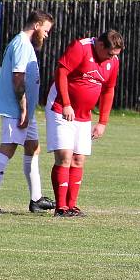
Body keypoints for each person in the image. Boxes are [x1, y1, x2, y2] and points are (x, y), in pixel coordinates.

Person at [0, 10, 56, 214]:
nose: (46, 35)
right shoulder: (21, 43)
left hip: (25, 110)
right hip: (16, 109)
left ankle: (36, 199)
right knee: (8, 148)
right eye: (45, 30)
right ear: (36, 26)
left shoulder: (25, 44)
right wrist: (22, 108)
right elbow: (18, 78)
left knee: (33, 148)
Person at [45, 30, 124, 217]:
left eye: (116, 55)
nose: (112, 58)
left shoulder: (113, 62)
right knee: (65, 156)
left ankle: (72, 206)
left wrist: (102, 122)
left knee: (78, 160)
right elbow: (62, 73)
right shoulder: (80, 47)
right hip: (60, 108)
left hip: (84, 115)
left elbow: (108, 91)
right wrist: (66, 104)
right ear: (100, 45)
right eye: (110, 53)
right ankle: (61, 207)